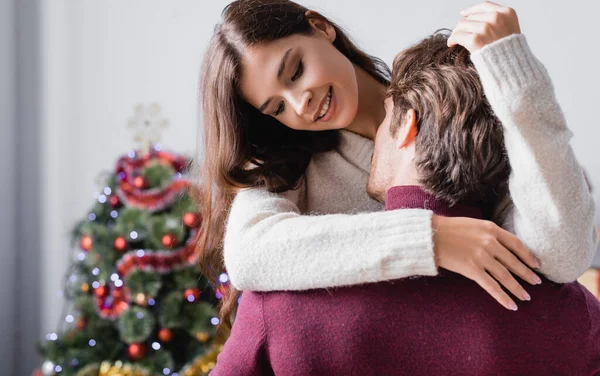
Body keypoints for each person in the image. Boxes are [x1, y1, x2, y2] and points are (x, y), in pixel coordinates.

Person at [210, 32, 600, 376]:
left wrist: (518, 84)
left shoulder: (276, 314)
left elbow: (563, 238)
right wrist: (428, 236)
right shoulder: (570, 315)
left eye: (295, 71)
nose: (300, 103)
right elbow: (248, 255)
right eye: (276, 108)